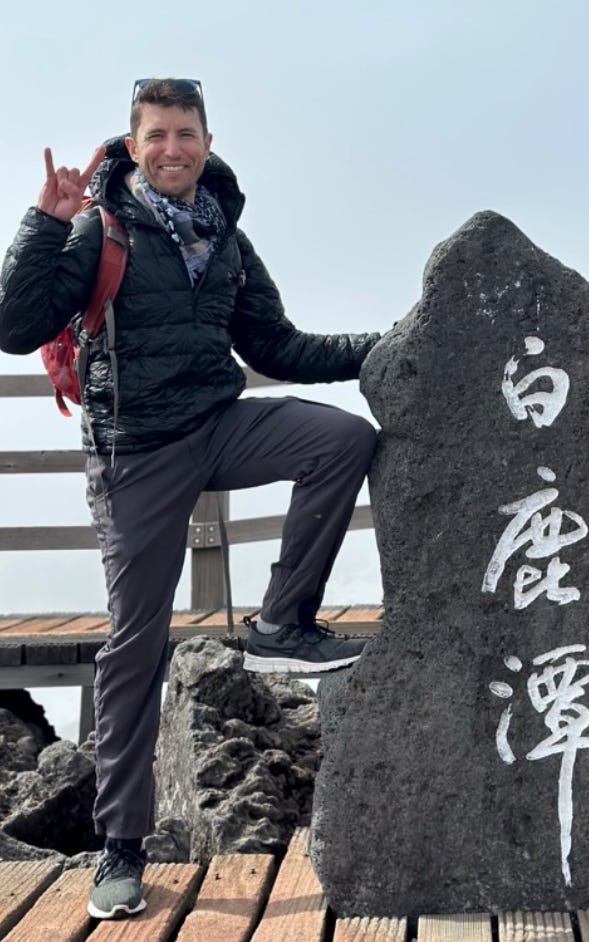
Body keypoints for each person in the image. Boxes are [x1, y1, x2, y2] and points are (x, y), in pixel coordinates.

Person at [0, 79, 380, 919]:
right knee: (136, 647)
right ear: (133, 146)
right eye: (157, 135)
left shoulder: (225, 236)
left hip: (216, 424)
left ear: (207, 142)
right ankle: (122, 850)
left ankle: (283, 624)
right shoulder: (97, 228)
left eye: (187, 134)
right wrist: (43, 225)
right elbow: (13, 326)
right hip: (134, 454)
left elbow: (279, 345)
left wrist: (386, 345)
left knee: (342, 440)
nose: (173, 149)